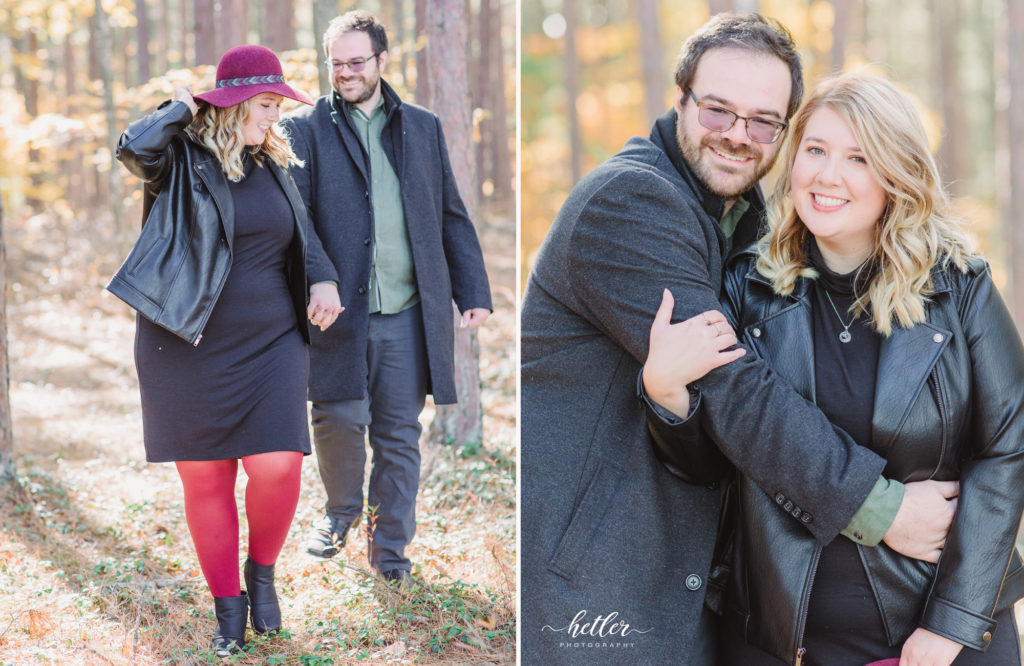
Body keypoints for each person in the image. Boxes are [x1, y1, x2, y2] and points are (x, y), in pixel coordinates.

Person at [520, 13, 957, 664]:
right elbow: (737, 389)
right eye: (718, 111)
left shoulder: (746, 222)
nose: (737, 137)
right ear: (680, 101)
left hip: (688, 597)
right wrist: (882, 509)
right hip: (599, 593)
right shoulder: (631, 201)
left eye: (762, 122)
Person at [643, 72, 1024, 666]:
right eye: (815, 150)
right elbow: (713, 467)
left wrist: (953, 625)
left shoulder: (959, 288)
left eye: (858, 158)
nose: (826, 175)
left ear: (896, 175)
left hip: (939, 640)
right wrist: (667, 398)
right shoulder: (748, 287)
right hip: (774, 638)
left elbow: (1007, 451)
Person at [108, 45, 343, 655]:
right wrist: (181, 107)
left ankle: (260, 576)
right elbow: (133, 149)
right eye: (266, 104)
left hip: (272, 341)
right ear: (235, 104)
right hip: (187, 339)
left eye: (278, 104)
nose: (275, 115)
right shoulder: (179, 158)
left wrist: (324, 277)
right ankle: (228, 606)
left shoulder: (275, 162)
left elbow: (305, 234)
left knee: (278, 464)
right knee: (207, 478)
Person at [280, 10, 493, 583]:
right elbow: (297, 220)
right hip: (337, 311)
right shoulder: (303, 128)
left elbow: (449, 210)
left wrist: (472, 288)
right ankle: (341, 512)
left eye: (356, 62)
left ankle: (390, 556)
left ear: (380, 61)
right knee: (337, 418)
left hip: (407, 313)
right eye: (336, 64)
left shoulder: (421, 126)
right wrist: (319, 276)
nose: (345, 73)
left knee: (400, 437)